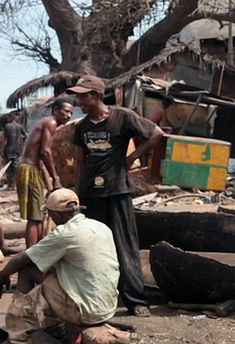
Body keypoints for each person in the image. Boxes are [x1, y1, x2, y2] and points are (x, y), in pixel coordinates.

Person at [68, 75, 164, 317]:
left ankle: (135, 301)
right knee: (94, 248)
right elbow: (80, 162)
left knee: (125, 246)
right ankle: (101, 297)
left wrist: (132, 158)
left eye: (83, 95)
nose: (79, 100)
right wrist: (78, 197)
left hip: (118, 191)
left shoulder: (123, 117)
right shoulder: (82, 127)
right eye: (77, 95)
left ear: (97, 96)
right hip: (92, 195)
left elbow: (157, 134)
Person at [0, 188, 119, 344]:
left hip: (86, 312)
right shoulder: (100, 226)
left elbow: (22, 258)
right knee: (53, 271)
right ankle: (53, 327)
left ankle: (19, 340)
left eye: (50, 213)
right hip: (107, 306)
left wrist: (2, 276)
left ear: (58, 215)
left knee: (27, 270)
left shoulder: (64, 234)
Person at [16, 99, 73, 248]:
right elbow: (45, 152)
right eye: (66, 111)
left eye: (71, 113)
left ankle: (39, 250)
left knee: (39, 214)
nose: (69, 116)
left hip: (31, 168)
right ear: (55, 110)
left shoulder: (46, 123)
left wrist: (49, 185)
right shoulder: (51, 123)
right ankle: (32, 255)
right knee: (35, 217)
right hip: (29, 169)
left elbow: (41, 159)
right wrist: (56, 178)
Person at [2, 111, 27, 189]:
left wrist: (2, 149)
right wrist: (22, 141)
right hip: (19, 148)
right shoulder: (20, 126)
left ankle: (11, 185)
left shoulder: (7, 126)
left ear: (10, 118)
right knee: (16, 166)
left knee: (9, 167)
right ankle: (17, 184)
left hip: (10, 149)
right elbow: (26, 135)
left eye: (8, 118)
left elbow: (5, 140)